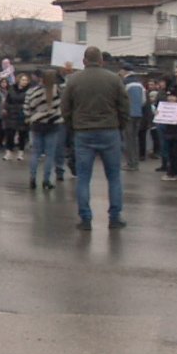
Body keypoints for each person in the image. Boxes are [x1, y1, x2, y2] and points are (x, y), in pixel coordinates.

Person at [61, 46, 129, 230]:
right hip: (109, 130)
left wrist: (73, 125)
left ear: (84, 61)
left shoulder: (73, 80)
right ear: (102, 61)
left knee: (83, 177)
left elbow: (65, 108)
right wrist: (120, 125)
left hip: (83, 131)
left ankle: (85, 218)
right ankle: (114, 217)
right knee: (114, 176)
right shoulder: (114, 79)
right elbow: (124, 106)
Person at [24, 69, 64, 190]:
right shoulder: (57, 91)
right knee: (50, 154)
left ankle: (32, 178)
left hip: (37, 124)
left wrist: (31, 117)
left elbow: (26, 108)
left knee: (35, 153)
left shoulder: (32, 91)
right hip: (53, 125)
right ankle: (46, 180)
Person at [119, 64, 145, 171]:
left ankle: (130, 163)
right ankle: (136, 162)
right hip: (138, 113)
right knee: (135, 139)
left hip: (127, 114)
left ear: (124, 71)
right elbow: (143, 101)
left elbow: (120, 98)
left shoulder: (124, 83)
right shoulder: (140, 84)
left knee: (128, 139)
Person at [0, 74, 30, 161]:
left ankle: (21, 152)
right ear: (18, 80)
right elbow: (7, 100)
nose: (24, 82)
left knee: (22, 134)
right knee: (10, 133)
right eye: (23, 80)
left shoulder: (29, 90)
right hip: (11, 113)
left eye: (26, 80)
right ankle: (8, 152)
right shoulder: (12, 89)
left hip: (22, 114)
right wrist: (5, 109)